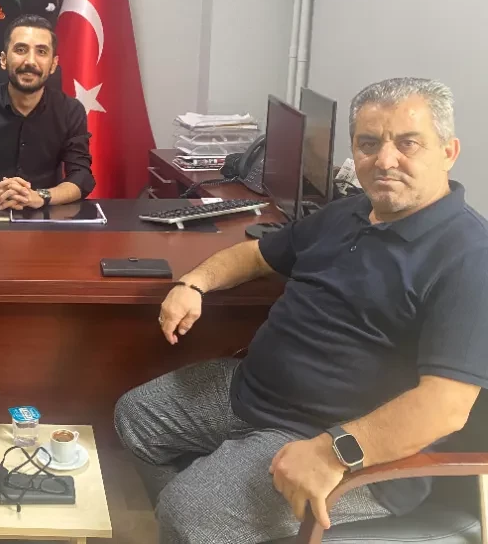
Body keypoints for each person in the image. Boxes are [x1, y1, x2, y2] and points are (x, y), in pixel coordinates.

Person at [115, 77, 488, 544]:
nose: (385, 160)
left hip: (331, 438)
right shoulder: (349, 212)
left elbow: (445, 407)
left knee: (187, 509)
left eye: (408, 143)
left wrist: (333, 451)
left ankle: (198, 523)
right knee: (137, 418)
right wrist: (194, 283)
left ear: (449, 152)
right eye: (369, 144)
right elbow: (257, 255)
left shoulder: (470, 257)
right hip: (250, 392)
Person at [0, 14, 94, 210]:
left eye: (41, 52)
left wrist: (41, 196)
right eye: (21, 50)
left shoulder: (70, 111)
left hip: (45, 212)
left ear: (53, 64)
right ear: (4, 59)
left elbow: (81, 176)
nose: (30, 61)